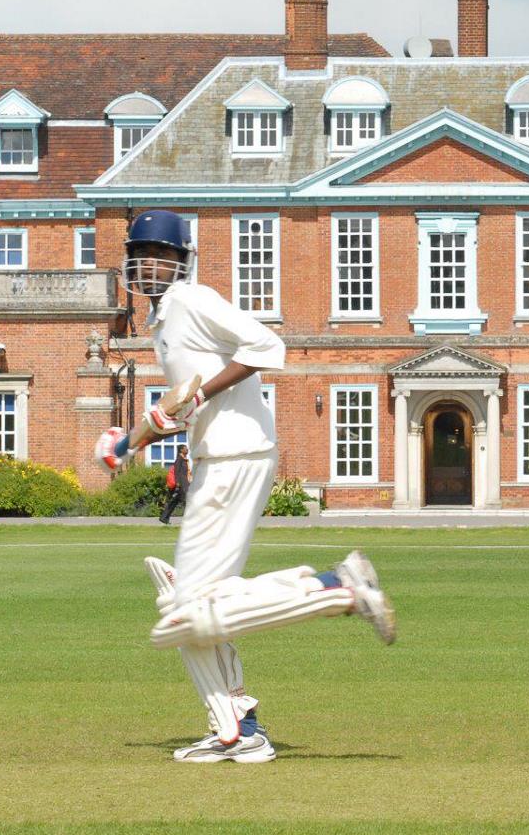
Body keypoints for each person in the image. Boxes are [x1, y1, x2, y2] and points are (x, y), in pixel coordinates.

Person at [96, 210, 397, 764]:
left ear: (182, 261)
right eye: (141, 252)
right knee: (190, 606)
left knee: (186, 612)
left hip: (236, 454)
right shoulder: (166, 320)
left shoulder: (191, 299)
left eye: (161, 254)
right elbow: (178, 401)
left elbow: (264, 346)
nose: (149, 263)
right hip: (221, 455)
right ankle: (238, 725)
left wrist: (203, 396)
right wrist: (129, 442)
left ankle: (338, 589)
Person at [158, 451, 188, 525]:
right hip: (178, 486)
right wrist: (179, 484)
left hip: (177, 486)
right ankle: (189, 520)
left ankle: (164, 518)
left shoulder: (182, 462)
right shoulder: (179, 461)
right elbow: (179, 474)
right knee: (186, 502)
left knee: (173, 502)